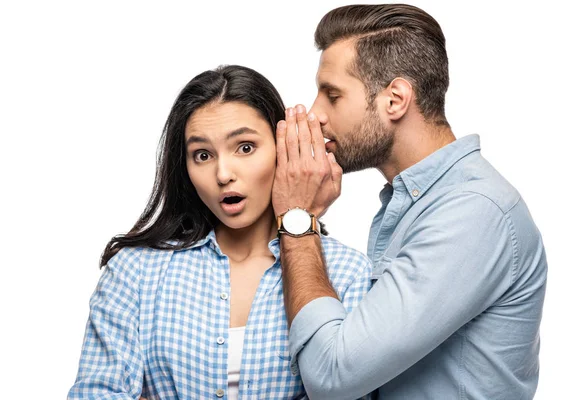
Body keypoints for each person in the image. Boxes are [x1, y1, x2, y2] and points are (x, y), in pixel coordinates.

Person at [271, 4, 548, 400]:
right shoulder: (417, 203)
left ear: (395, 100)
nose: (315, 114)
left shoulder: (472, 211)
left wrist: (297, 218)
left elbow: (333, 376)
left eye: (332, 95)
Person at [67, 65, 372, 399]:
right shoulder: (135, 272)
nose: (223, 173)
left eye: (245, 147)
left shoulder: (348, 275)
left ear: (283, 149)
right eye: (202, 155)